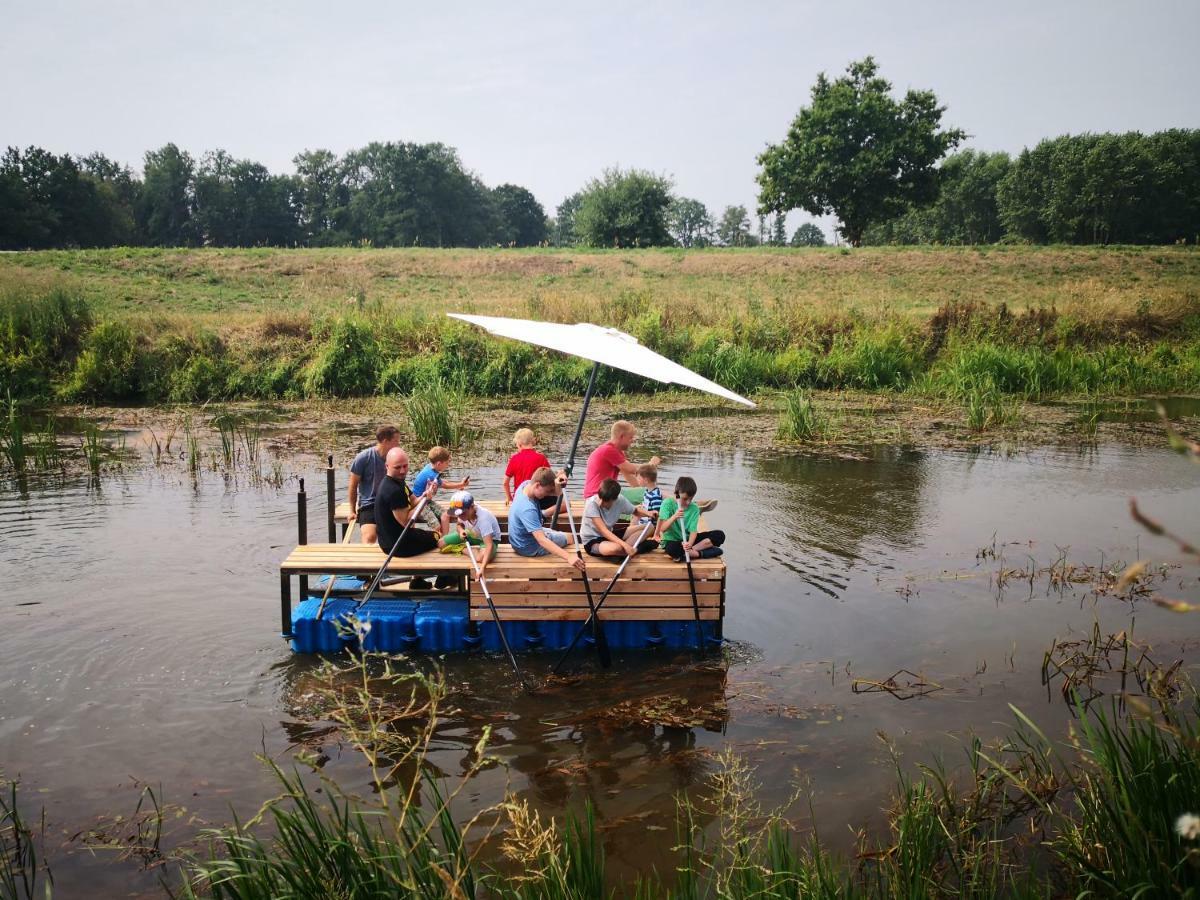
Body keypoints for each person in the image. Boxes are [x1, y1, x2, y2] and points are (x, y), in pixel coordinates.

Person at [509, 467, 585, 571]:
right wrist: (569, 557)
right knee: (570, 538)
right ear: (537, 485)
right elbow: (541, 540)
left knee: (557, 534)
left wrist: (558, 482)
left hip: (519, 539)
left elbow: (557, 493)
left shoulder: (525, 485)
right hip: (528, 547)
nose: (548, 495)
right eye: (547, 491)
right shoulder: (527, 508)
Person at [347, 425, 400, 545]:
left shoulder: (396, 459)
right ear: (386, 441)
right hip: (369, 504)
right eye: (396, 441)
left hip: (390, 503)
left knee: (400, 535)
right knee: (370, 537)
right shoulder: (363, 458)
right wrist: (351, 511)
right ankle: (366, 562)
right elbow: (353, 485)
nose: (398, 445)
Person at [581, 478, 659, 558]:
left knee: (650, 527)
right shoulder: (591, 504)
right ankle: (637, 548)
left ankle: (627, 550)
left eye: (605, 501)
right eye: (600, 498)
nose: (600, 503)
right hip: (592, 540)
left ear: (614, 500)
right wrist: (625, 545)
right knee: (616, 548)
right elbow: (603, 531)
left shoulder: (620, 500)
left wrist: (649, 513)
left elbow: (635, 511)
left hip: (610, 534)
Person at [583, 420, 661, 499]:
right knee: (654, 494)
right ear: (622, 436)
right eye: (630, 437)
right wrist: (651, 465)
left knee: (651, 493)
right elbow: (632, 469)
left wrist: (643, 491)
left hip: (607, 493)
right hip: (597, 496)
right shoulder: (608, 450)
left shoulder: (617, 452)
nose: (632, 440)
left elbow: (628, 475)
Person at [657, 475, 725, 561]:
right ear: (676, 494)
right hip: (673, 541)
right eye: (685, 499)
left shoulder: (694, 508)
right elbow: (662, 529)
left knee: (719, 535)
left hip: (688, 541)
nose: (688, 502)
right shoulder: (667, 503)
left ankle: (690, 553)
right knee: (671, 548)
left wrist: (689, 544)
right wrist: (674, 517)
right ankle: (700, 553)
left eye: (691, 499)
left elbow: (693, 531)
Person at [439, 490, 500, 579]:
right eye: (457, 514)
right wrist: (460, 531)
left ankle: (463, 549)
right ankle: (464, 548)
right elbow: (459, 525)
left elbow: (489, 545)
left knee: (480, 559)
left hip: (490, 539)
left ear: (471, 507)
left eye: (462, 513)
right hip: (472, 534)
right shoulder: (463, 514)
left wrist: (482, 569)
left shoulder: (483, 518)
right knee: (441, 543)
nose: (460, 516)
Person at [412, 446, 469, 530]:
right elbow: (445, 486)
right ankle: (437, 541)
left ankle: (443, 540)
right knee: (437, 525)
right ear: (439, 464)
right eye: (446, 463)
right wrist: (461, 485)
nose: (448, 465)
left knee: (445, 514)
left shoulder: (430, 467)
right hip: (419, 504)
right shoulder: (431, 475)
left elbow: (443, 482)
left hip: (427, 501)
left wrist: (460, 484)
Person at [503, 428, 551, 503]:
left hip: (519, 499)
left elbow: (505, 483)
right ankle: (544, 513)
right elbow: (550, 479)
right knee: (564, 504)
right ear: (533, 442)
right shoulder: (541, 458)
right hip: (537, 499)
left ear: (519, 444)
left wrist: (509, 498)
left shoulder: (514, 459)